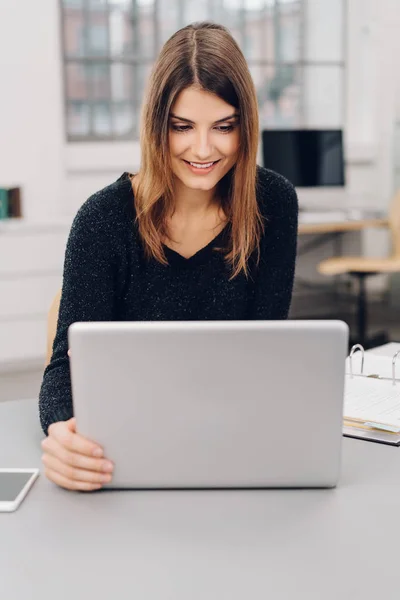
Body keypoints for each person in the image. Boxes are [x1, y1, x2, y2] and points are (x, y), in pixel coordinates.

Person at [39, 21, 298, 491]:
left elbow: (266, 357)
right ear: (157, 125)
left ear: (246, 126)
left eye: (223, 127)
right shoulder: (103, 219)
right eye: (182, 127)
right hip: (126, 452)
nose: (203, 149)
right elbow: (63, 371)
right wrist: (61, 432)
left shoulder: (273, 205)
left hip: (233, 448)